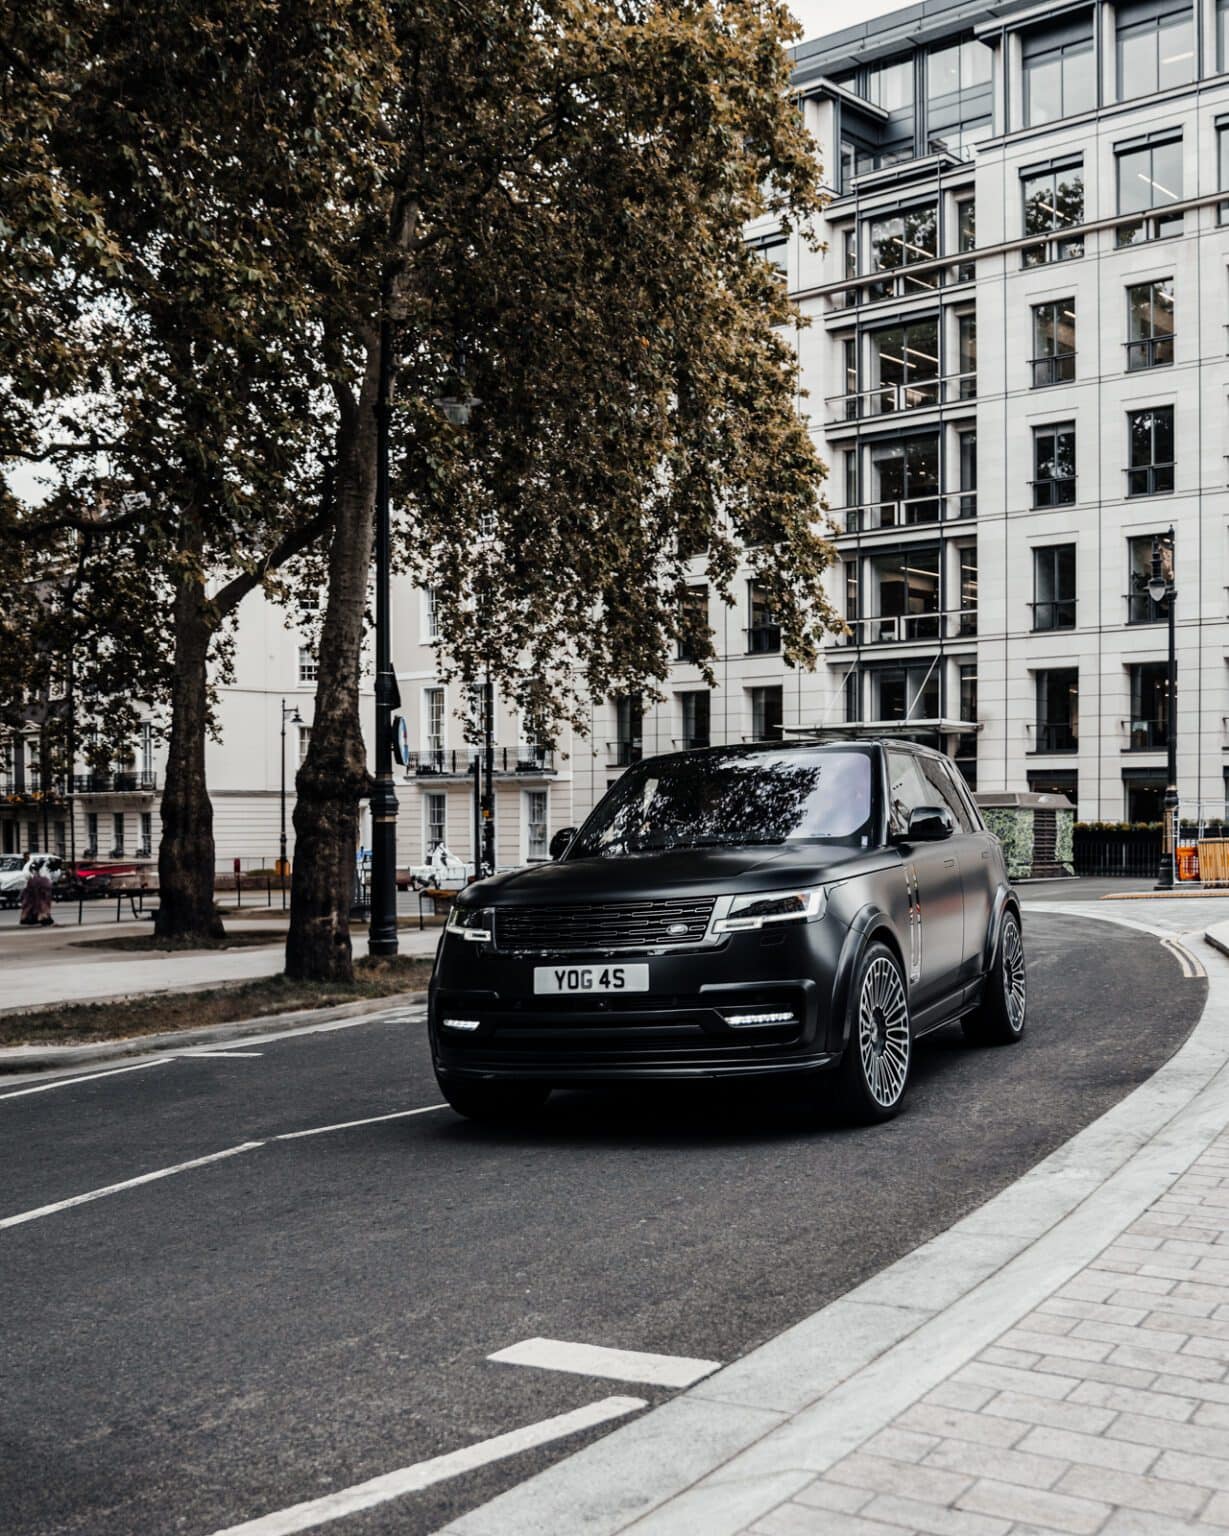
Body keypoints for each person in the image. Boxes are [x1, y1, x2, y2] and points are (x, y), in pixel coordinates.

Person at [19, 859, 54, 927]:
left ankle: (30, 917)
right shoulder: (43, 876)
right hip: (41, 892)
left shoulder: (33, 875)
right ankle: (43, 917)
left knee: (31, 905)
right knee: (42, 906)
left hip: (34, 892)